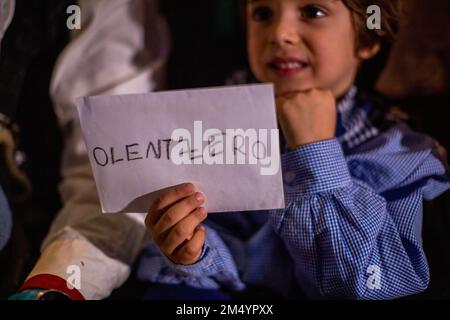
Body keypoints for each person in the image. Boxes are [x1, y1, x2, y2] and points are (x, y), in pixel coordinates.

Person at [12, 0, 450, 300]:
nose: (280, 33)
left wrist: (314, 150)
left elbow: (366, 284)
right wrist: (192, 249)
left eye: (312, 11)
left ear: (367, 40)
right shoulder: (218, 111)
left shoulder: (396, 149)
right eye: (262, 13)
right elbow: (224, 246)